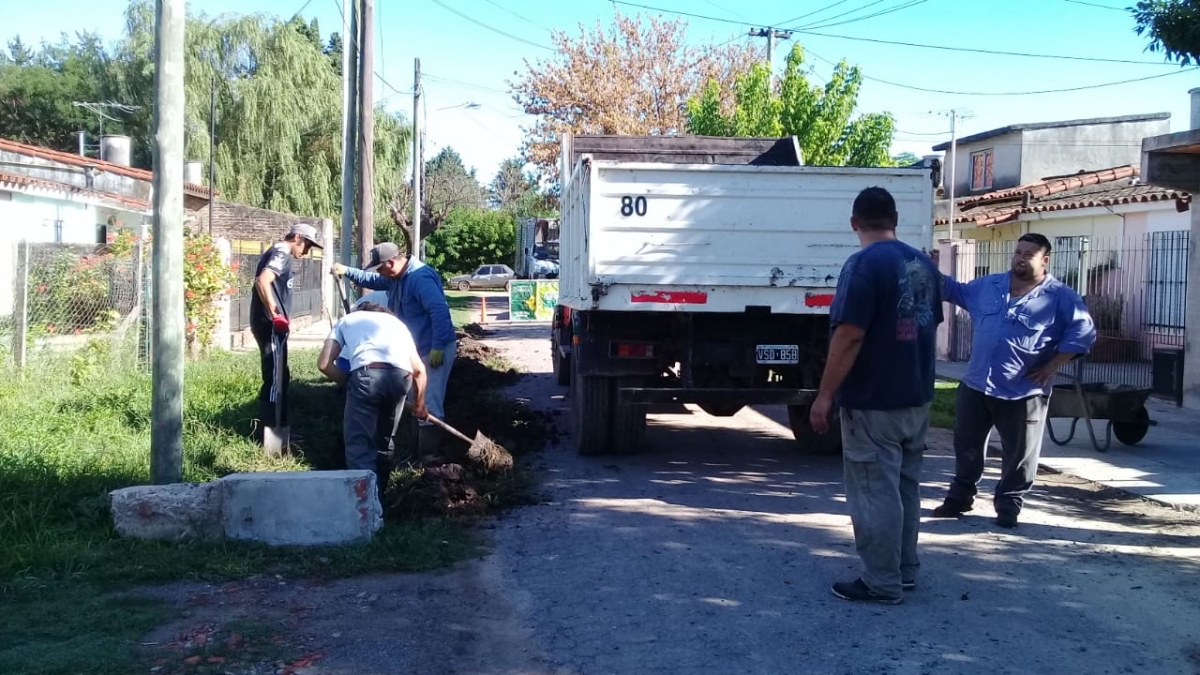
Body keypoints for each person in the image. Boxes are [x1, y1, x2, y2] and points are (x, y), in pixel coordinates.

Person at [810, 186, 943, 605]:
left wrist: (824, 396)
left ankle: (881, 582)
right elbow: (928, 324)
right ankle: (903, 570)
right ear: (896, 219)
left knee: (873, 490)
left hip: (874, 399)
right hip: (916, 396)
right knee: (905, 487)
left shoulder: (863, 265)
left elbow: (849, 335)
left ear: (854, 223)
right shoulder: (921, 263)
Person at [931, 233, 1096, 528]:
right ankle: (959, 498)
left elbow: (1083, 334)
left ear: (1044, 260)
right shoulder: (990, 285)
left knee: (1019, 455)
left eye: (1028, 254)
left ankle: (1008, 506)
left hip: (1023, 392)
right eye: (1018, 251)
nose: (1020, 258)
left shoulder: (1060, 297)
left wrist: (1052, 366)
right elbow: (953, 290)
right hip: (977, 384)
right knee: (966, 445)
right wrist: (924, 268)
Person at [333, 243, 456, 455]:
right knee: (413, 400)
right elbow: (371, 279)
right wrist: (348, 271)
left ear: (391, 263)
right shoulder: (395, 278)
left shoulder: (419, 278)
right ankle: (414, 451)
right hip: (414, 348)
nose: (380, 274)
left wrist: (438, 346)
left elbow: (439, 310)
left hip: (433, 347)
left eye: (380, 268)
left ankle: (428, 458)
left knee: (429, 400)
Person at [317, 301, 428, 496]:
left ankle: (365, 507)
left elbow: (324, 363)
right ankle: (381, 499)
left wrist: (350, 383)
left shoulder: (347, 320)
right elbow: (419, 370)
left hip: (367, 376)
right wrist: (420, 404)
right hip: (402, 378)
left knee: (359, 444)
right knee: (385, 441)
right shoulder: (398, 324)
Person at [249, 222, 323, 439]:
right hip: (270, 324)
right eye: (307, 245)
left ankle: (279, 427)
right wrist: (276, 314)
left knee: (281, 375)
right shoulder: (282, 252)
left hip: (273, 324)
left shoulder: (279, 252)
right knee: (274, 377)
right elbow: (262, 281)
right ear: (297, 237)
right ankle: (270, 433)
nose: (306, 251)